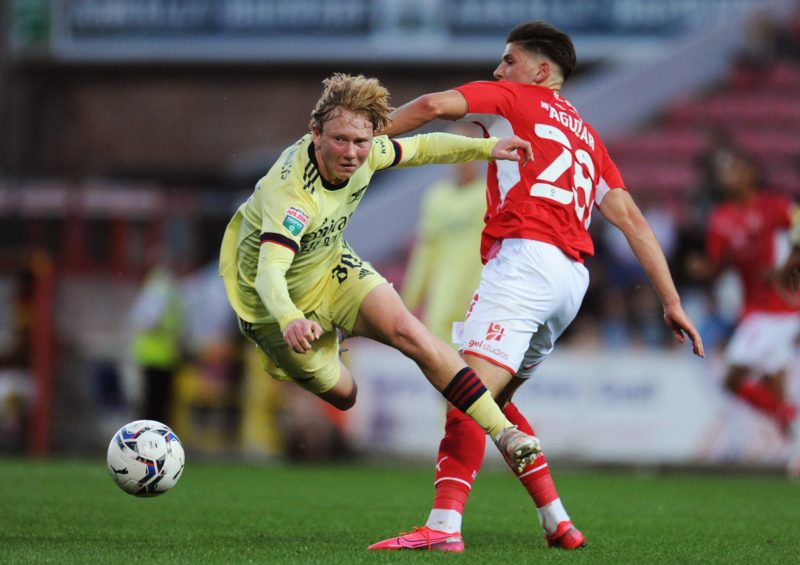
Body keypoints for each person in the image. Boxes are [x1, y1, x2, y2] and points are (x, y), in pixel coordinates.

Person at [369, 21, 704, 552]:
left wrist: (369, 133)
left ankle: (443, 528)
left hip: (525, 261)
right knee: (491, 403)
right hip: (570, 282)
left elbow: (433, 105)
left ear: (541, 70)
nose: (498, 70)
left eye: (508, 60)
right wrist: (672, 301)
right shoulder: (589, 138)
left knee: (465, 395)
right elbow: (634, 221)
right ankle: (558, 522)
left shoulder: (513, 98)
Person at [218, 73, 541, 471]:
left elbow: (423, 147)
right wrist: (289, 319)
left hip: (331, 265)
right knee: (345, 394)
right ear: (315, 134)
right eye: (340, 140)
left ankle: (504, 432)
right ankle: (310, 345)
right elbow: (270, 271)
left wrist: (489, 147)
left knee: (409, 332)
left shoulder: (367, 151)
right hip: (272, 305)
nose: (352, 153)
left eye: (361, 142)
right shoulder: (291, 195)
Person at [687, 150, 800, 439]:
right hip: (753, 309)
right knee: (773, 381)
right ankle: (791, 431)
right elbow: (717, 266)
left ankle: (787, 416)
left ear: (751, 174)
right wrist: (701, 269)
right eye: (725, 171)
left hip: (779, 308)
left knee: (733, 376)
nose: (728, 175)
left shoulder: (775, 205)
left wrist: (783, 268)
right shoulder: (720, 218)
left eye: (735, 169)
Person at [402, 125, 487, 345]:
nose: (462, 160)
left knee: (476, 369)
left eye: (468, 152)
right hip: (442, 304)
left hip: (480, 300)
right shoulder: (436, 197)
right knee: (445, 367)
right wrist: (410, 300)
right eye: (455, 153)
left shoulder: (489, 195)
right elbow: (425, 251)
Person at [129, 250, 185, 425]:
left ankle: (149, 436)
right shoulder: (162, 288)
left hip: (157, 355)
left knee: (154, 401)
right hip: (159, 355)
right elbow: (150, 320)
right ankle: (154, 438)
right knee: (158, 403)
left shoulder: (155, 286)